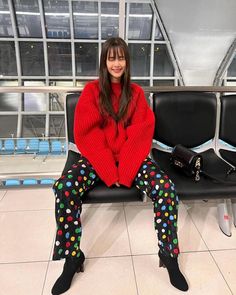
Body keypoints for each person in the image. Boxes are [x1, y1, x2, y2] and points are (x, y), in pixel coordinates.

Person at [51, 37, 189, 295]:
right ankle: (72, 257)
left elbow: (141, 133)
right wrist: (107, 169)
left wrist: (123, 171)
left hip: (130, 159)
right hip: (96, 159)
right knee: (64, 188)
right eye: (111, 58)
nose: (116, 63)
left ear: (127, 61)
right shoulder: (92, 92)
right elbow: (86, 134)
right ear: (104, 61)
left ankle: (168, 254)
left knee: (166, 189)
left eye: (121, 57)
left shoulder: (135, 93)